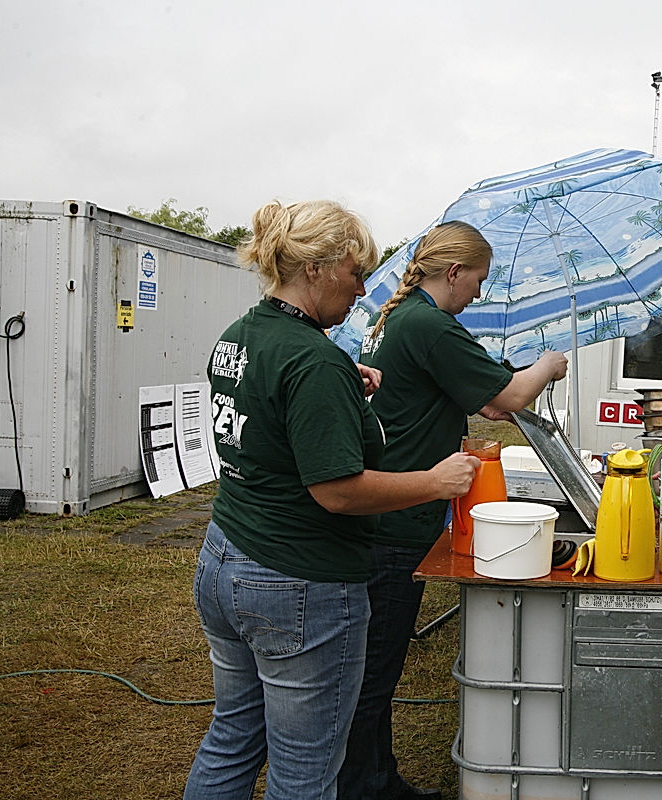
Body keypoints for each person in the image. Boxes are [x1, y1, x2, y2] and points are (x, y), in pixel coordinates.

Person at [184, 200, 481, 800]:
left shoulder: (240, 335)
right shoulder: (313, 360)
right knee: (306, 767)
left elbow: (274, 418)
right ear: (316, 268)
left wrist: (344, 380)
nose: (363, 289)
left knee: (233, 736)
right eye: (354, 273)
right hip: (298, 578)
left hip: (225, 557)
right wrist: (435, 481)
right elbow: (338, 492)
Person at [337, 220, 568, 800]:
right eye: (478, 281)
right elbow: (511, 397)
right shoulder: (431, 325)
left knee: (374, 665)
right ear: (454, 271)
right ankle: (362, 787)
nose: (478, 294)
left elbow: (484, 401)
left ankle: (374, 779)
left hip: (393, 508)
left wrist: (491, 393)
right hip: (398, 517)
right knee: (374, 670)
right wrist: (547, 365)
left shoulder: (401, 317)